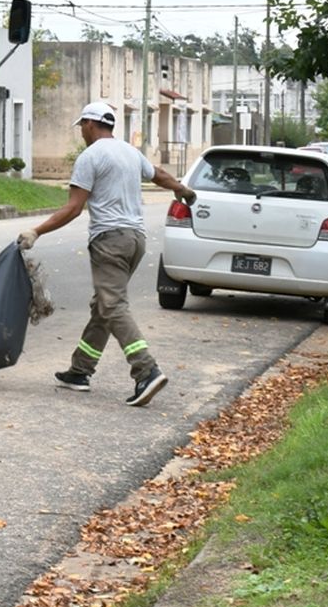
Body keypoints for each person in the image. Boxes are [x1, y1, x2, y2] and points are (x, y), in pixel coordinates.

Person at [16, 101, 196, 407]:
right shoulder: (129, 151)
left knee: (112, 305)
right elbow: (159, 174)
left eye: (82, 126)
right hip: (135, 241)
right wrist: (182, 189)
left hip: (110, 241)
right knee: (103, 304)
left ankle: (146, 369)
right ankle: (80, 370)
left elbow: (74, 208)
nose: (81, 133)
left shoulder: (90, 157)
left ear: (89, 123)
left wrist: (36, 231)